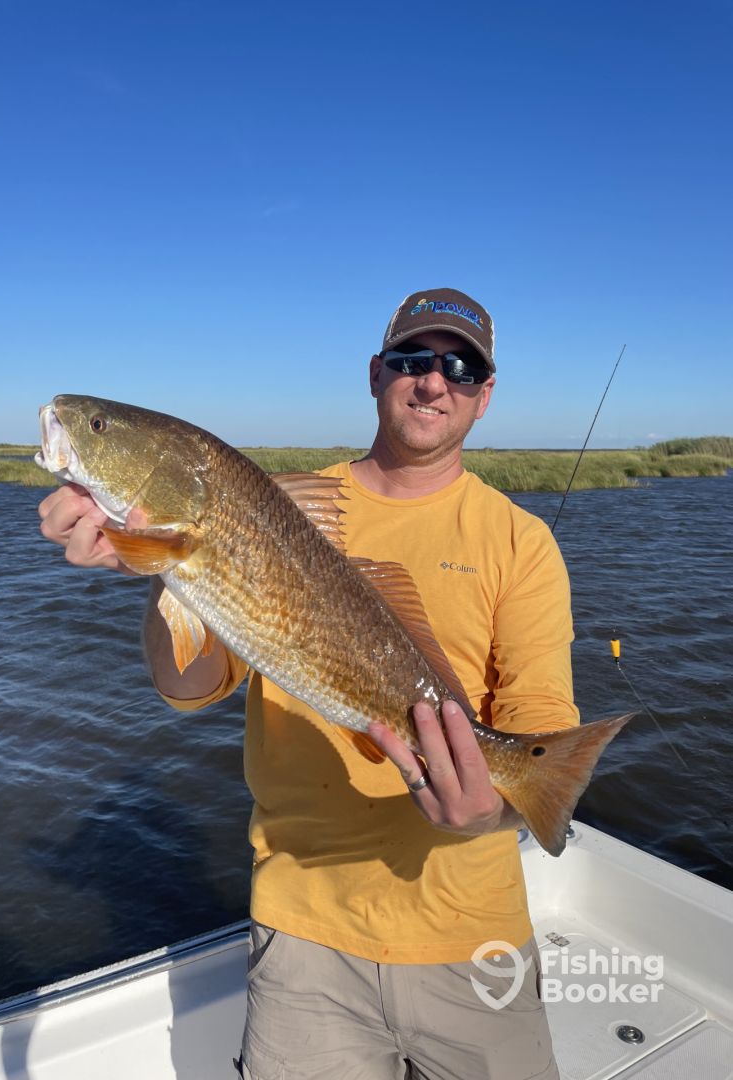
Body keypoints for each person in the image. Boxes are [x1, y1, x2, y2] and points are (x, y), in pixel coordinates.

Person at [39, 288, 577, 1079]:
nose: (434, 381)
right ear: (376, 373)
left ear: (484, 395)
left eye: (461, 369)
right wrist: (155, 567)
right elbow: (186, 687)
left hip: (473, 930)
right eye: (412, 359)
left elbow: (542, 735)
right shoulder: (275, 504)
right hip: (302, 933)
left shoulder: (521, 542)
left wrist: (489, 807)